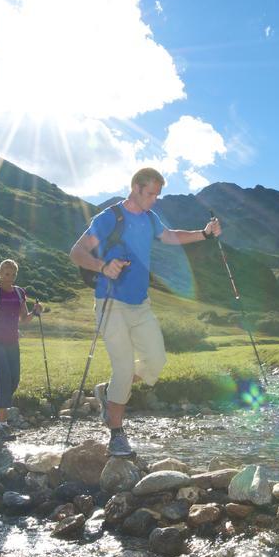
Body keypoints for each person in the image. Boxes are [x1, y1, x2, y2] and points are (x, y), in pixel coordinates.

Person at [69, 167, 221, 457]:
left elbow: (172, 236)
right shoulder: (109, 218)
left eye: (157, 195)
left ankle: (109, 390)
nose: (154, 200)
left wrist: (204, 234)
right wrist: (102, 267)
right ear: (135, 188)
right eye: (150, 193)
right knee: (124, 367)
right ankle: (116, 433)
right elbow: (76, 252)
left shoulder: (150, 219)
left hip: (140, 303)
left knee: (156, 361)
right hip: (110, 302)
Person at [0, 259, 42, 441]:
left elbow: (24, 319)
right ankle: (2, 426)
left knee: (14, 382)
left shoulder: (20, 293)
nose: (10, 277)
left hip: (12, 342)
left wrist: (35, 312)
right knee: (4, 380)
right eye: (6, 273)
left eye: (13, 274)